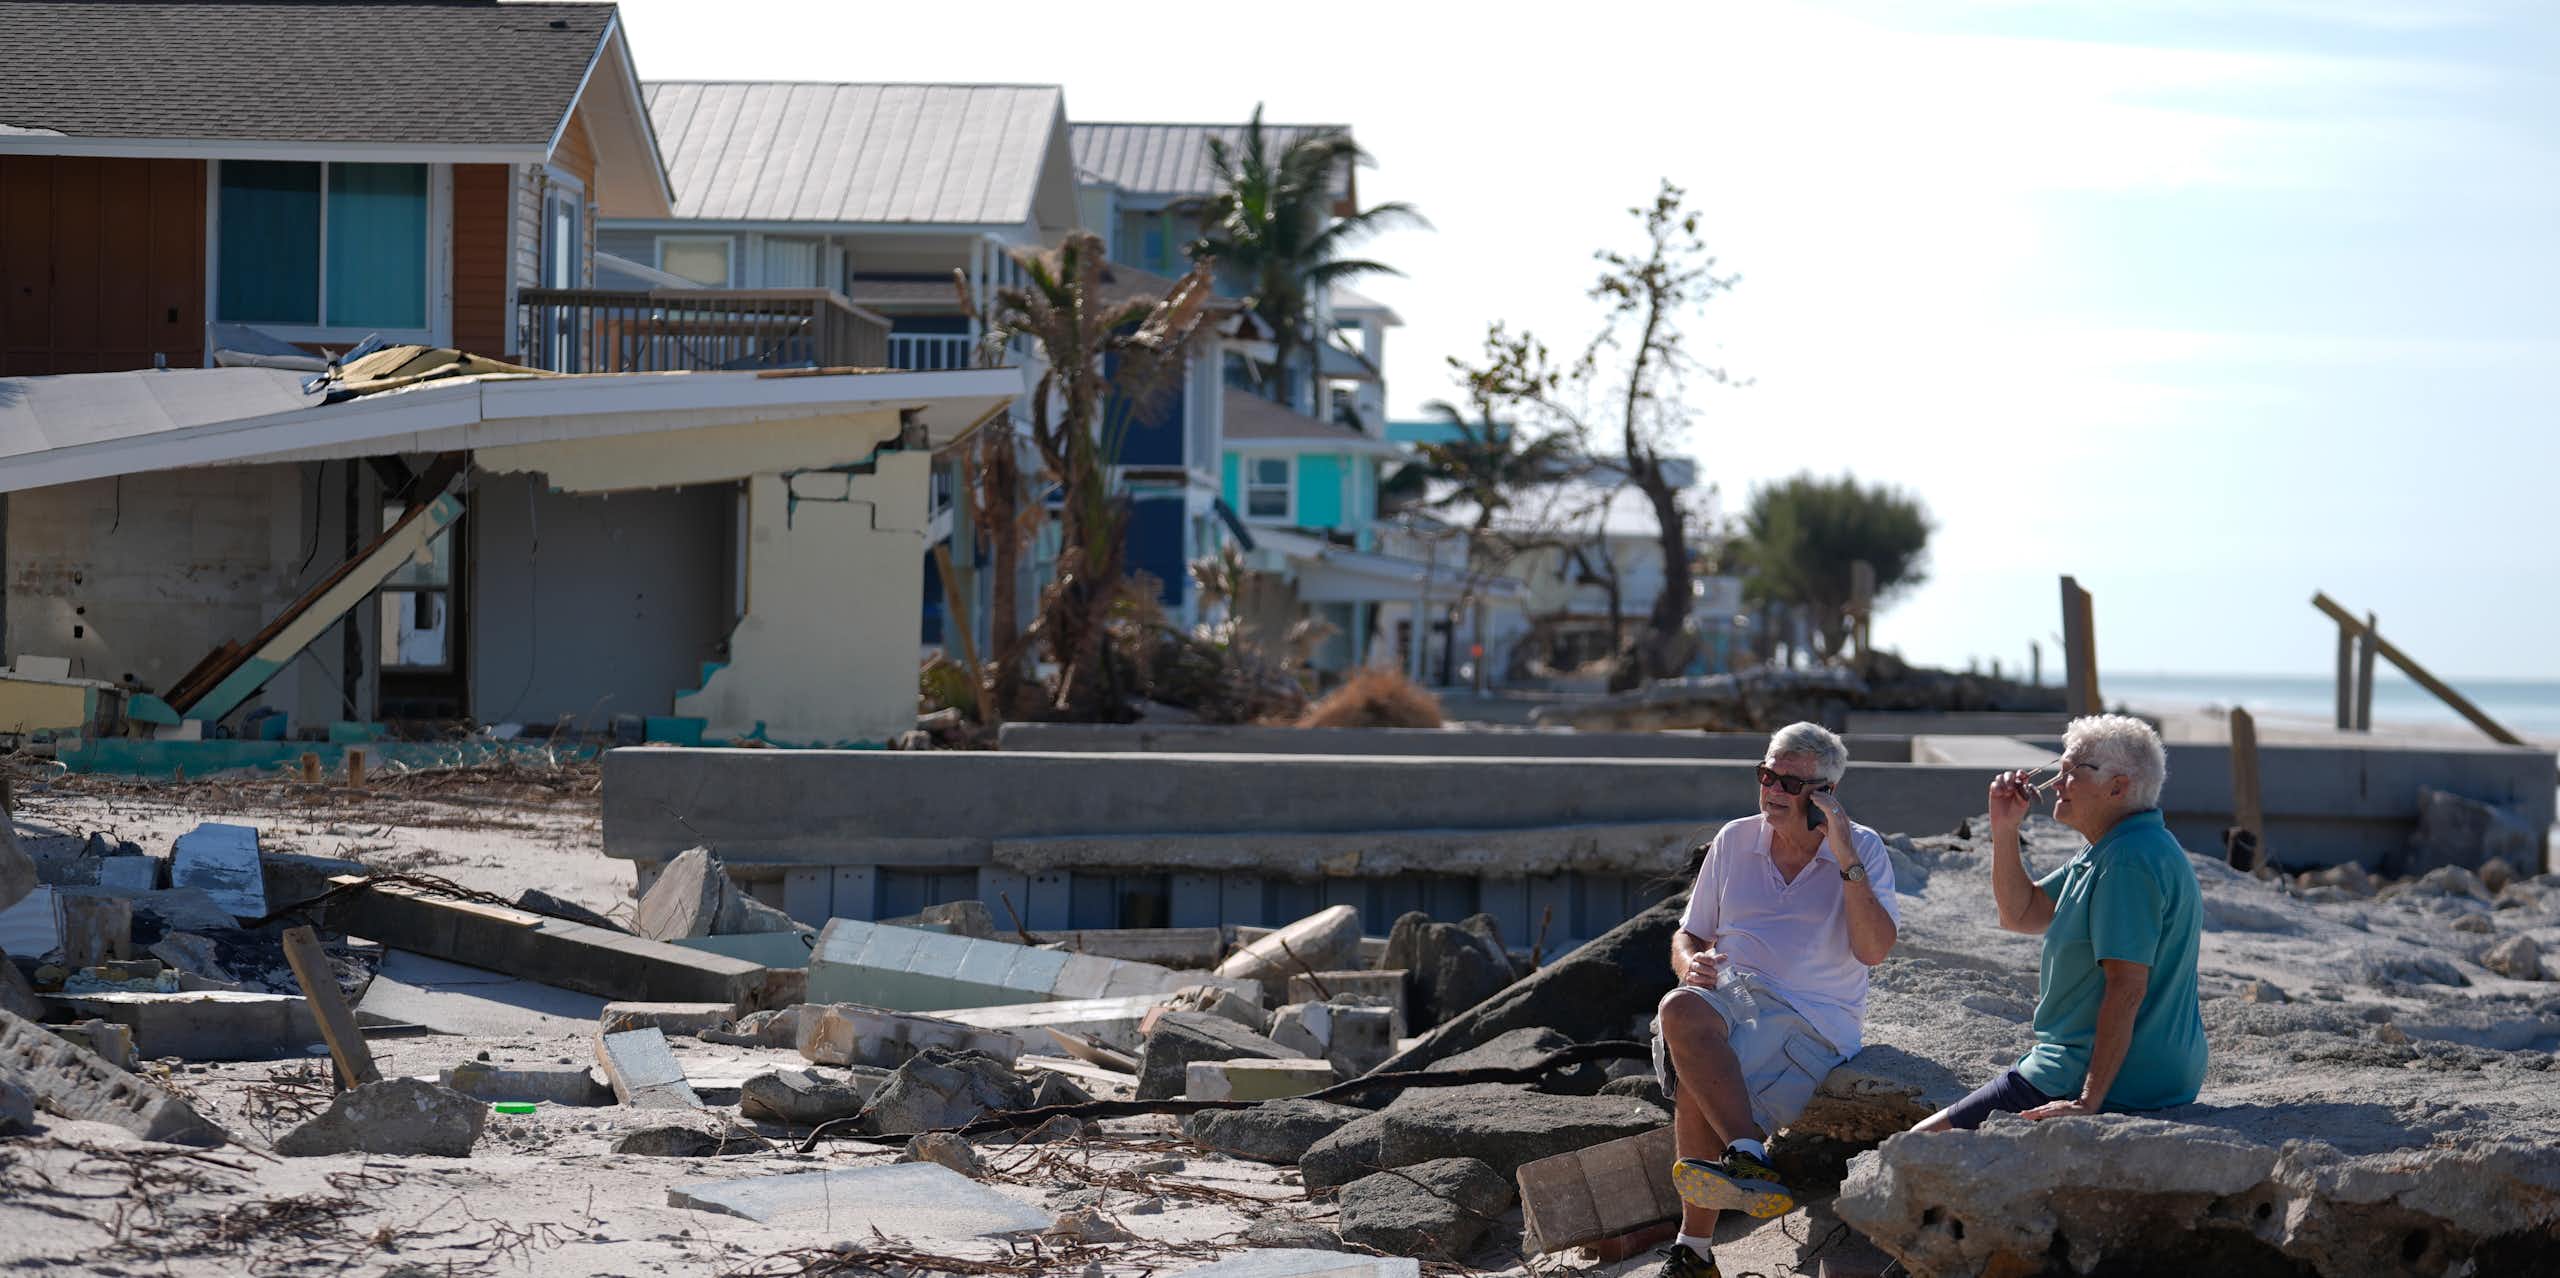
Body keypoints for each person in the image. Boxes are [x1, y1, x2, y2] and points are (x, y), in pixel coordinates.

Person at [1651, 722, 1900, 1278]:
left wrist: (1844, 855)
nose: (1772, 791)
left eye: (1791, 783)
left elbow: (1875, 950)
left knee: (1705, 1063)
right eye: (1767, 775)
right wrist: (1691, 964)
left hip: (1812, 1016)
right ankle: (1748, 1153)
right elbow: (1688, 934)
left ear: (1825, 794)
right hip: (1734, 992)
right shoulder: (1735, 838)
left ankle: (1693, 1250)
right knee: (1679, 1008)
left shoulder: (1863, 849)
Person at [1914, 713, 2205, 1132]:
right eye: (2058, 770)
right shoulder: (2115, 847)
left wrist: (2088, 1100)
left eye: (2071, 772)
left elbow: (2127, 987)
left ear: (2117, 787)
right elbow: (2022, 913)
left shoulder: (2126, 860)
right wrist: (2005, 827)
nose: (2052, 784)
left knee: (1914, 1144)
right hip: (2135, 1067)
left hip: (2100, 1074)